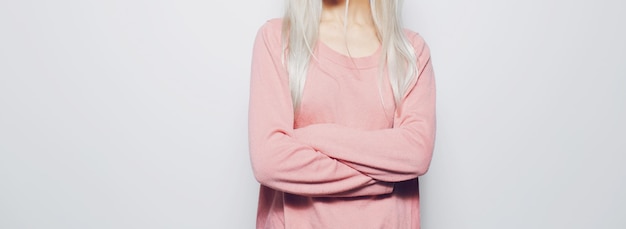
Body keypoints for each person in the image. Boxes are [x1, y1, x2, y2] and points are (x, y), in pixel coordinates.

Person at [248, 0, 436, 228]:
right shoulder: (278, 39)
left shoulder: (410, 52)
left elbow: (415, 153)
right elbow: (269, 160)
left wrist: (309, 138)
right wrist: (381, 181)